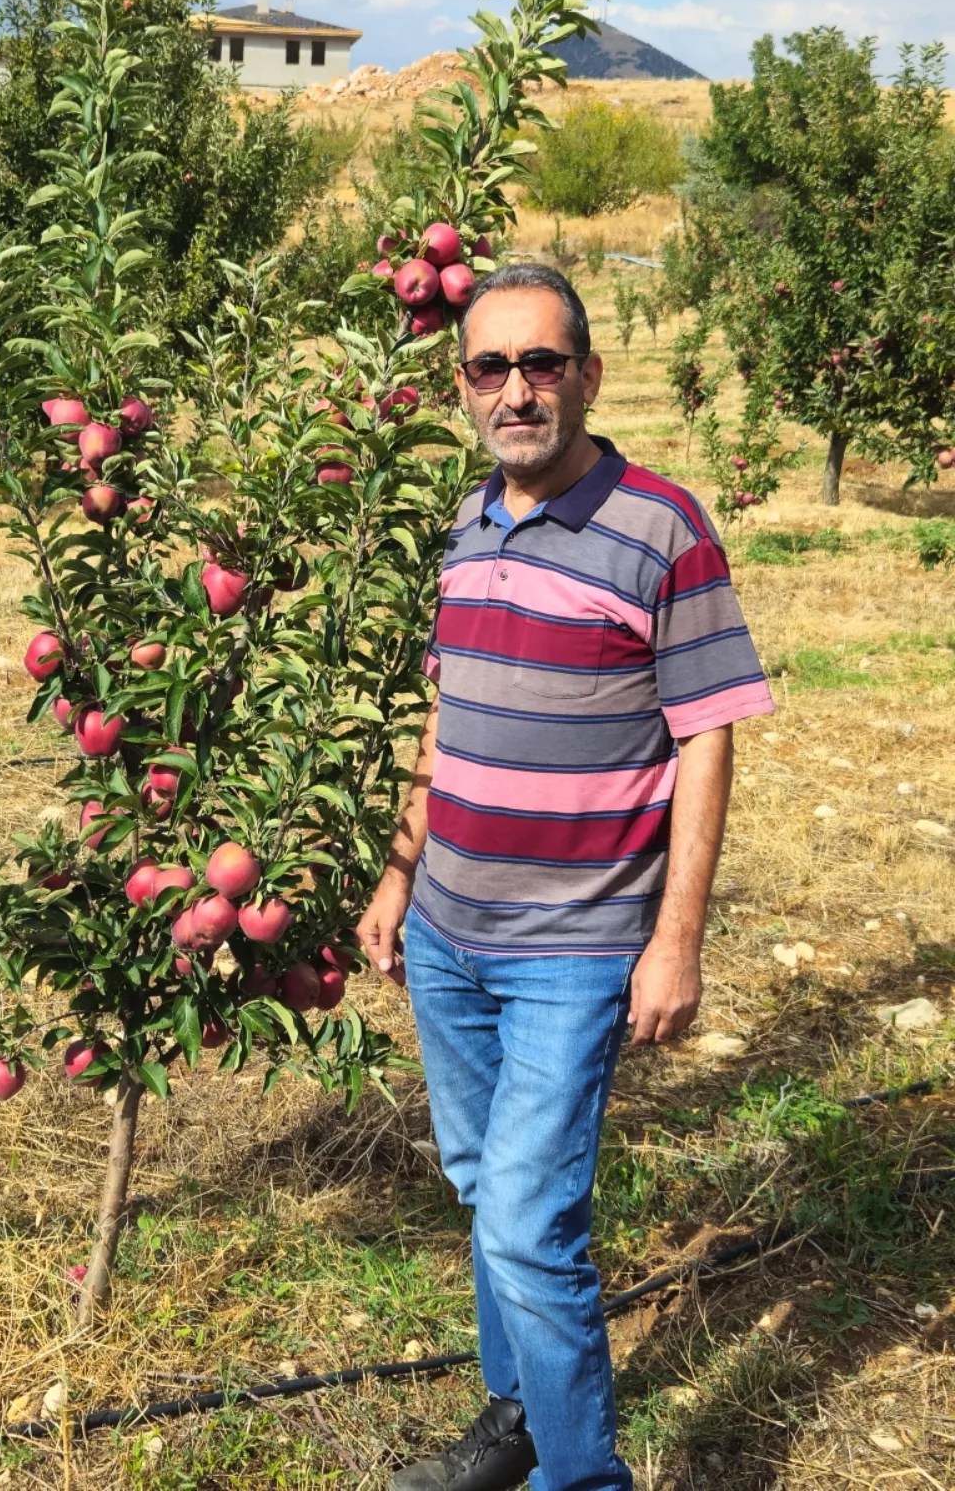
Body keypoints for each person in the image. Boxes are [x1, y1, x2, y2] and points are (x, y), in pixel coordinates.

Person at [359, 263, 774, 1491]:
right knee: (486, 1189)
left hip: (575, 945)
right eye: (492, 367)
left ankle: (581, 1476)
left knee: (531, 1228)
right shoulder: (465, 522)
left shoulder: (662, 526)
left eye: (544, 363)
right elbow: (447, 716)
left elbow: (707, 730)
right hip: (448, 933)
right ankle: (516, 1418)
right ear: (463, 387)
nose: (519, 389)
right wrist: (397, 878)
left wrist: (677, 939)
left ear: (589, 374)